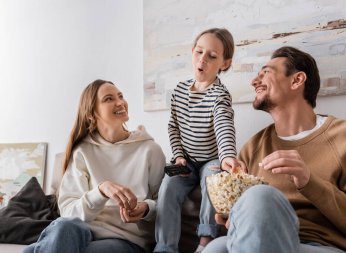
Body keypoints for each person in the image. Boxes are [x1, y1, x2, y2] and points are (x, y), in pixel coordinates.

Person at [203, 46, 346, 253]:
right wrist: (236, 217)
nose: (254, 81)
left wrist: (310, 182)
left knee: (261, 197)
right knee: (216, 248)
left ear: (297, 80)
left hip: (325, 245)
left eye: (266, 72)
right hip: (263, 242)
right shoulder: (253, 148)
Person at [23, 79, 166, 253]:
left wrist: (146, 208)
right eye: (108, 99)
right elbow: (68, 213)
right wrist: (100, 191)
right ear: (91, 114)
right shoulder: (82, 152)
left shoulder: (149, 150)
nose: (120, 102)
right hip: (81, 234)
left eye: (120, 96)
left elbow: (164, 203)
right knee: (63, 227)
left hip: (124, 241)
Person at [154, 28, 246, 253]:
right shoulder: (179, 91)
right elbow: (173, 127)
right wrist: (178, 156)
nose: (202, 59)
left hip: (211, 159)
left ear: (224, 63)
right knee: (167, 185)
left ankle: (205, 242)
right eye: (199, 52)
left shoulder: (219, 96)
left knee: (213, 179)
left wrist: (227, 157)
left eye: (212, 56)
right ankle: (165, 247)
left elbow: (224, 128)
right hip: (186, 160)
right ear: (192, 53)